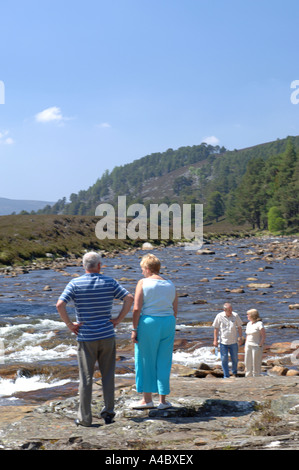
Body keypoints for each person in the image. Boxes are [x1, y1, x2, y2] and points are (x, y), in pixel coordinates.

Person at [56, 251, 133, 426]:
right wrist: (118, 320)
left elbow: (60, 304)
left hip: (86, 337)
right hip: (107, 335)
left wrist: (70, 325)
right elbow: (129, 298)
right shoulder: (109, 282)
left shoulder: (75, 283)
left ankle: (85, 418)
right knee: (108, 375)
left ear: (84, 266)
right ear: (99, 266)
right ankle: (108, 413)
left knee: (86, 378)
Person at [131, 253, 178, 409]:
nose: (142, 272)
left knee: (145, 360)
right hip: (168, 322)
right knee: (164, 360)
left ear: (147, 268)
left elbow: (137, 308)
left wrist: (134, 329)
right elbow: (175, 309)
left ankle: (147, 399)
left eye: (142, 269)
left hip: (149, 322)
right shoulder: (170, 283)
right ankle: (163, 401)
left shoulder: (143, 282)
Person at [213, 303, 243, 378]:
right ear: (224, 310)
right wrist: (215, 340)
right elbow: (216, 329)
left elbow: (239, 327)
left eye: (231, 309)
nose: (231, 311)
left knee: (235, 359)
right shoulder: (219, 316)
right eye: (229, 310)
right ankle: (226, 375)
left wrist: (241, 337)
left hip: (233, 341)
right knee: (224, 359)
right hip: (223, 342)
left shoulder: (235, 315)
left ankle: (234, 373)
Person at [245, 309, 266, 377]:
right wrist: (245, 345)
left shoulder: (259, 324)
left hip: (256, 345)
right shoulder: (248, 324)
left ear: (253, 315)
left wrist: (260, 344)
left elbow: (263, 336)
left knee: (256, 363)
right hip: (248, 345)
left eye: (248, 314)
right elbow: (247, 335)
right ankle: (248, 376)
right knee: (247, 362)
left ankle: (256, 377)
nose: (247, 316)